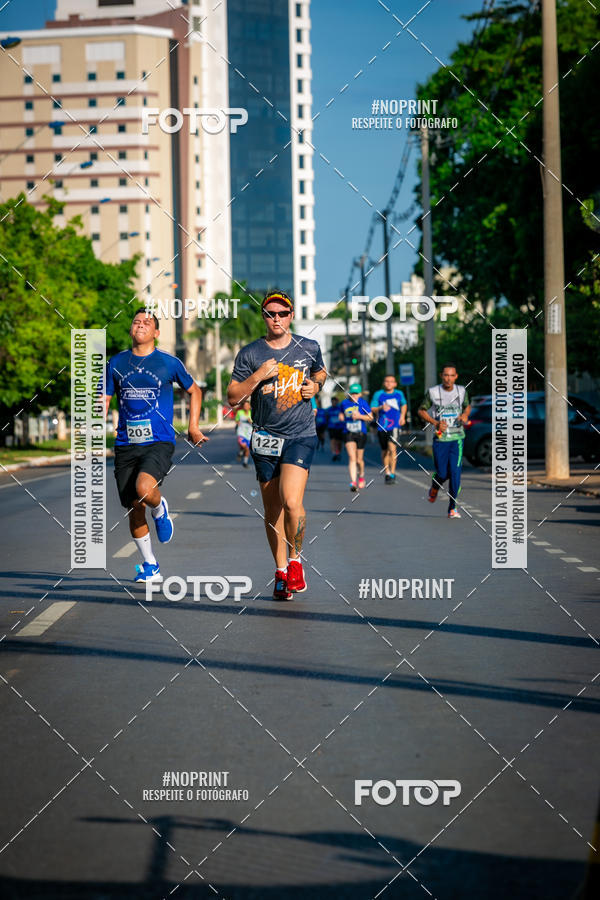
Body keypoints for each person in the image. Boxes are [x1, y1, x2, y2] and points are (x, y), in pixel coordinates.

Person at [227, 290, 326, 600]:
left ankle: (296, 562)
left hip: (300, 434)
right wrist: (258, 375)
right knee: (272, 511)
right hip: (266, 438)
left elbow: (320, 372)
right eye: (271, 313)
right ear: (264, 317)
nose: (277, 318)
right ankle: (281, 571)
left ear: (291, 316)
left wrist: (316, 385)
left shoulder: (308, 347)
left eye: (282, 313)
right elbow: (233, 397)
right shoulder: (250, 353)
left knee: (292, 502)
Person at [104, 308, 207, 581]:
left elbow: (194, 390)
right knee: (134, 507)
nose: (140, 324)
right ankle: (151, 565)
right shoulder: (116, 363)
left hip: (159, 441)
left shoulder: (168, 363)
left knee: (144, 489)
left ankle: (160, 509)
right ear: (130, 329)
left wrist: (193, 426)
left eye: (147, 322)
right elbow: (104, 399)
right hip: (126, 443)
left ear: (157, 333)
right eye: (136, 321)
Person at [418, 364, 471, 519]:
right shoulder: (433, 392)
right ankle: (435, 487)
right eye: (446, 375)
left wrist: (465, 415)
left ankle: (452, 508)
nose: (448, 378)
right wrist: (435, 423)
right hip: (441, 438)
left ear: (456, 376)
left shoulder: (461, 391)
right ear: (442, 376)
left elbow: (467, 406)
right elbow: (421, 410)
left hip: (457, 438)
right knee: (442, 473)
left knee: (455, 474)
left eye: (451, 375)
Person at [371, 374, 407, 484]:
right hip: (382, 426)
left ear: (395, 384)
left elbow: (404, 405)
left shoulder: (399, 394)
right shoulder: (378, 394)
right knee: (384, 451)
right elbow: (372, 408)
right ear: (384, 383)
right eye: (387, 381)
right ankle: (387, 472)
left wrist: (402, 416)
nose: (389, 383)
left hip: (395, 426)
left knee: (392, 449)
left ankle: (392, 473)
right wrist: (381, 407)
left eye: (391, 381)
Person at [339, 383, 372, 491]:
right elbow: (341, 414)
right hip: (348, 432)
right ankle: (353, 482)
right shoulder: (344, 403)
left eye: (356, 393)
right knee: (352, 458)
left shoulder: (363, 403)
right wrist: (341, 416)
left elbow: (370, 417)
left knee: (359, 460)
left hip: (361, 432)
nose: (354, 395)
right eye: (352, 393)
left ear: (360, 394)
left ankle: (361, 475)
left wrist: (359, 416)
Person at [235, 400, 253, 467]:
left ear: (249, 406)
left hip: (248, 434)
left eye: (247, 405)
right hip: (241, 432)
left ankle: (245, 462)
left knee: (247, 449)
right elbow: (236, 420)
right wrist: (238, 422)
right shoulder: (239, 412)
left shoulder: (251, 413)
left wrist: (250, 421)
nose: (246, 407)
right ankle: (241, 452)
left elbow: (253, 423)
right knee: (243, 445)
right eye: (244, 405)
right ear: (242, 406)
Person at [326, 397, 344, 461]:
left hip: (340, 427)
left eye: (335, 401)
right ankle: (334, 453)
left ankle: (338, 452)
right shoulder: (328, 410)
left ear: (337, 402)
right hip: (331, 427)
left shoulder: (340, 409)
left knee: (339, 442)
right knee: (333, 440)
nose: (334, 403)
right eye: (333, 401)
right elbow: (326, 418)